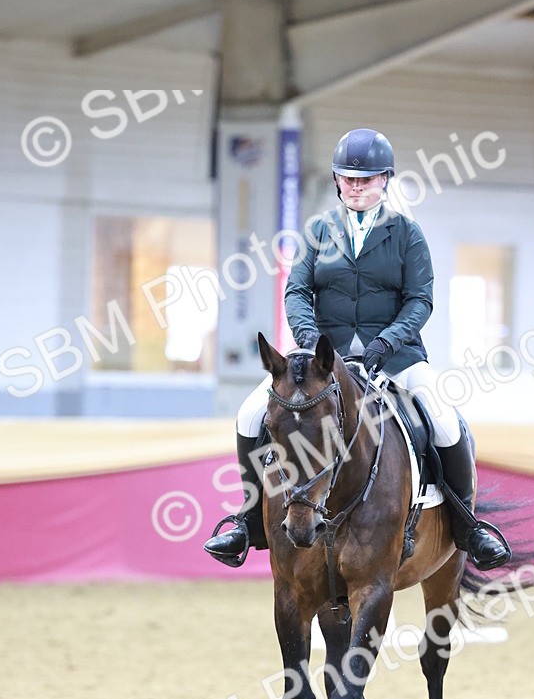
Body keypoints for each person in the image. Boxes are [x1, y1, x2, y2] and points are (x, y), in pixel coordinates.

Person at [204, 127, 510, 571]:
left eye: (366, 178)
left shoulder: (407, 234)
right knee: (250, 414)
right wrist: (309, 341)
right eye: (348, 178)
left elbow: (420, 300)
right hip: (323, 361)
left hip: (397, 357)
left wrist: (387, 342)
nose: (357, 185)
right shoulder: (317, 232)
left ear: (385, 179)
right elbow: (296, 292)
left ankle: (467, 527)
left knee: (443, 421)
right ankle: (249, 522)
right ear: (336, 181)